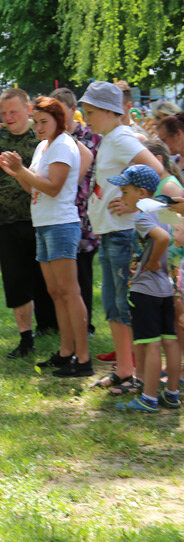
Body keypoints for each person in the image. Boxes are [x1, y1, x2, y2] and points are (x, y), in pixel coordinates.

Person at [78, 81, 166, 391]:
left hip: (122, 236)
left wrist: (137, 206)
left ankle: (138, 376)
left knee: (125, 306)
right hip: (109, 234)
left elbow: (158, 172)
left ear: (108, 111)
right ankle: (125, 371)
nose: (85, 118)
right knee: (114, 306)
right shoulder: (111, 139)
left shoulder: (120, 139)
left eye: (89, 112)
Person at [0, 96, 93, 376]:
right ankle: (66, 352)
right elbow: (34, 189)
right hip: (43, 225)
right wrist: (17, 174)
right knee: (55, 293)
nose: (39, 127)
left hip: (61, 225)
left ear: (59, 120)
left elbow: (53, 188)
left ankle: (84, 359)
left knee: (69, 292)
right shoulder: (43, 146)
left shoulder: (63, 144)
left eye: (44, 121)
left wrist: (20, 170)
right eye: (36, 121)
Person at [0, 88, 57, 359]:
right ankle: (25, 338)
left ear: (28, 109)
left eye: (13, 112)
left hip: (43, 220)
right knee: (16, 280)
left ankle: (51, 327)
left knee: (48, 280)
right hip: (8, 221)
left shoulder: (43, 137)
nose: (8, 117)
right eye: (3, 112)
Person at [106, 165, 181, 411]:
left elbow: (164, 238)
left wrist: (150, 261)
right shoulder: (164, 212)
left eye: (125, 190)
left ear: (140, 192)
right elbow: (177, 235)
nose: (121, 194)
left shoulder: (143, 217)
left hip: (145, 289)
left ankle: (148, 398)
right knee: (169, 340)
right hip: (166, 288)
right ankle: (171, 393)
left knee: (150, 343)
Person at [50, 87, 101, 337]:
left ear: (73, 111)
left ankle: (85, 325)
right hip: (57, 217)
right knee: (60, 277)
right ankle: (63, 326)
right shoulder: (50, 142)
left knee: (82, 273)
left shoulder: (91, 140)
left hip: (85, 219)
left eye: (61, 111)